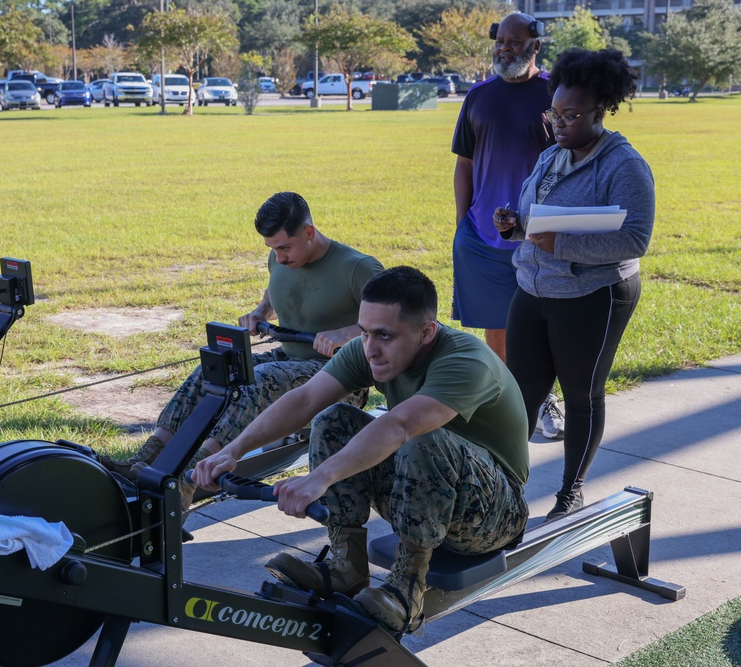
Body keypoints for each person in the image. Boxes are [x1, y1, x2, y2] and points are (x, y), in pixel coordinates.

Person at [195, 266, 529, 634]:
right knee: (333, 419)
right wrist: (235, 450)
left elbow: (400, 425)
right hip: (429, 496)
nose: (370, 347)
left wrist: (317, 479)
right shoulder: (371, 350)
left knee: (423, 436)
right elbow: (305, 399)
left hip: (493, 516)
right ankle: (345, 568)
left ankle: (407, 591)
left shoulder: (466, 360)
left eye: (384, 335)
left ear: (427, 332)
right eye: (364, 332)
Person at [101, 191, 383, 510]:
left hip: (338, 379)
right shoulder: (280, 259)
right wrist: (261, 312)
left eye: (284, 247)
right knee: (213, 371)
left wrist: (346, 334)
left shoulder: (358, 268)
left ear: (308, 232)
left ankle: (191, 476)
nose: (279, 257)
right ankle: (147, 459)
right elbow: (277, 291)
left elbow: (393, 328)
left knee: (255, 381)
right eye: (272, 249)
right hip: (288, 362)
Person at [493, 48, 654, 521]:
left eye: (570, 115)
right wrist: (515, 227)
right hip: (534, 290)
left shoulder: (624, 165)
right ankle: (502, 489)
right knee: (520, 393)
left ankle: (570, 493)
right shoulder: (549, 158)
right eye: (554, 113)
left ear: (599, 110)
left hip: (593, 295)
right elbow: (536, 225)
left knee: (582, 394)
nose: (559, 123)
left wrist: (558, 243)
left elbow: (635, 239)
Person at [451, 11, 565, 440]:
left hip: (539, 235)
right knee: (495, 324)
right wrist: (463, 225)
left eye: (515, 42)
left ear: (536, 45)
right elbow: (464, 165)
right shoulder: (478, 96)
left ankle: (544, 398)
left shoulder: (556, 94)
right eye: (500, 40)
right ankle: (503, 399)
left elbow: (575, 161)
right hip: (481, 237)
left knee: (543, 324)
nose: (504, 47)